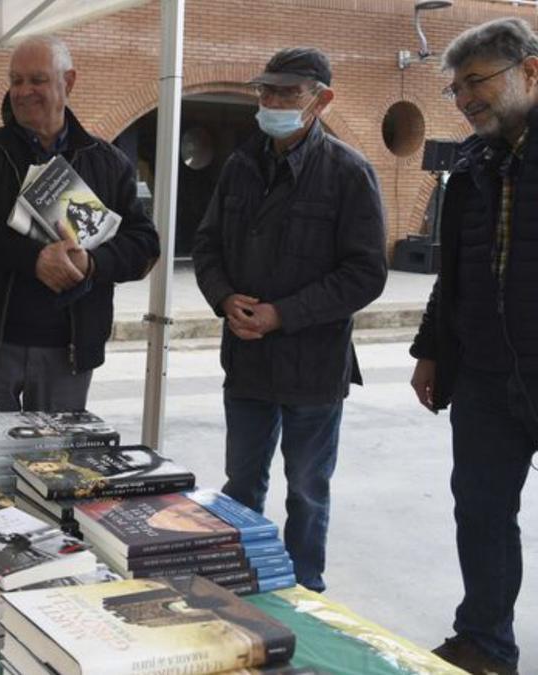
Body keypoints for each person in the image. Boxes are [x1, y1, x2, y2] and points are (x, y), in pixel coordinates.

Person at [191, 47, 387, 594]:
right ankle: (238, 584)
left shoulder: (350, 172)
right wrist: (224, 297)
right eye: (266, 92)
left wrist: (284, 314)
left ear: (321, 100)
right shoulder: (239, 165)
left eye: (287, 93)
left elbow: (366, 274)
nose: (272, 102)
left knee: (307, 489)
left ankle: (305, 591)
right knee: (241, 486)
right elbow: (206, 248)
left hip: (313, 369)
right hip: (248, 361)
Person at [409, 18, 538, 675]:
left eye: (476, 82)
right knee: (482, 511)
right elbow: (452, 276)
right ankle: (485, 643)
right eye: (456, 90)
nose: (463, 100)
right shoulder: (471, 168)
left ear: (532, 71)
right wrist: (431, 350)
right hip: (487, 378)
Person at [0, 35, 160, 412]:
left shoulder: (108, 162)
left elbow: (144, 245)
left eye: (36, 80)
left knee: (55, 465)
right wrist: (34, 259)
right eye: (16, 80)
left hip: (68, 351)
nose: (23, 92)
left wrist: (91, 263)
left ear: (68, 82)